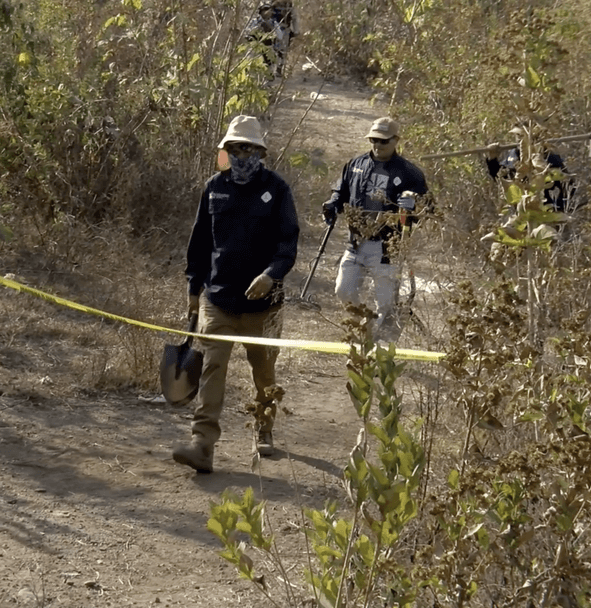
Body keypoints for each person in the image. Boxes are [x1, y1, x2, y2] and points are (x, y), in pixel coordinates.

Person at [172, 115, 300, 473]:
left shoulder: (277, 190)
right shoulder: (214, 187)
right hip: (219, 299)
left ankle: (265, 426)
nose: (240, 154)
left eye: (247, 148)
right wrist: (193, 291)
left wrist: (271, 276)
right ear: (226, 151)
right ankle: (202, 444)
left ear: (260, 151)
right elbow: (199, 243)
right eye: (233, 148)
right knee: (213, 366)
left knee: (263, 371)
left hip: (263, 306)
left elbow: (288, 245)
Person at [321, 116, 429, 342]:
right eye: (374, 140)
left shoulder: (409, 173)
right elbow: (339, 192)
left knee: (386, 303)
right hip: (356, 241)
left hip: (387, 247)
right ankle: (365, 325)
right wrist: (332, 204)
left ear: (396, 140)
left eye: (383, 141)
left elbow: (426, 208)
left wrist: (413, 204)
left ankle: (378, 348)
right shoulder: (355, 164)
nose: (378, 145)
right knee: (344, 290)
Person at [485, 131, 572, 212]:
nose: (519, 139)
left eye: (523, 135)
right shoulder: (515, 154)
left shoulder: (547, 156)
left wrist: (558, 208)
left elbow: (568, 183)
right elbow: (500, 176)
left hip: (544, 210)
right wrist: (492, 159)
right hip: (521, 212)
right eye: (518, 135)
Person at [245, 2, 290, 79]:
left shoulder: (273, 22)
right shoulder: (255, 21)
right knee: (250, 62)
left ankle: (268, 79)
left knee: (270, 63)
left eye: (269, 10)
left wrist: (272, 32)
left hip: (268, 47)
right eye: (266, 9)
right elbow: (247, 33)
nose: (268, 12)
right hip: (255, 47)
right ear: (261, 11)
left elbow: (280, 35)